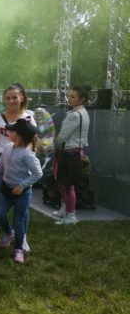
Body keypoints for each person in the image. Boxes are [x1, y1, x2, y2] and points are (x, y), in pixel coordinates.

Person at [0, 83, 36, 248]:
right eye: (8, 98)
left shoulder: (28, 117)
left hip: (22, 162)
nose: (11, 100)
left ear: (22, 98)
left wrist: (29, 159)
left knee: (23, 203)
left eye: (15, 97)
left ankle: (22, 236)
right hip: (2, 159)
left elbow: (34, 142)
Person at [0, 119, 42, 264]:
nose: (8, 132)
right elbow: (0, 166)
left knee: (19, 221)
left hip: (22, 194)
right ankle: (8, 233)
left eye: (11, 130)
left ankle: (18, 249)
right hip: (6, 190)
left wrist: (22, 186)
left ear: (19, 135)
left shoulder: (27, 155)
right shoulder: (7, 147)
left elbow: (38, 173)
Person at [53, 86, 90, 225]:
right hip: (72, 151)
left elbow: (62, 136)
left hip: (70, 153)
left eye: (73, 97)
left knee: (67, 185)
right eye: (69, 96)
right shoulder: (81, 112)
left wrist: (51, 145)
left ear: (82, 100)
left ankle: (70, 216)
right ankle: (65, 209)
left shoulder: (75, 115)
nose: (69, 99)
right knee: (62, 183)